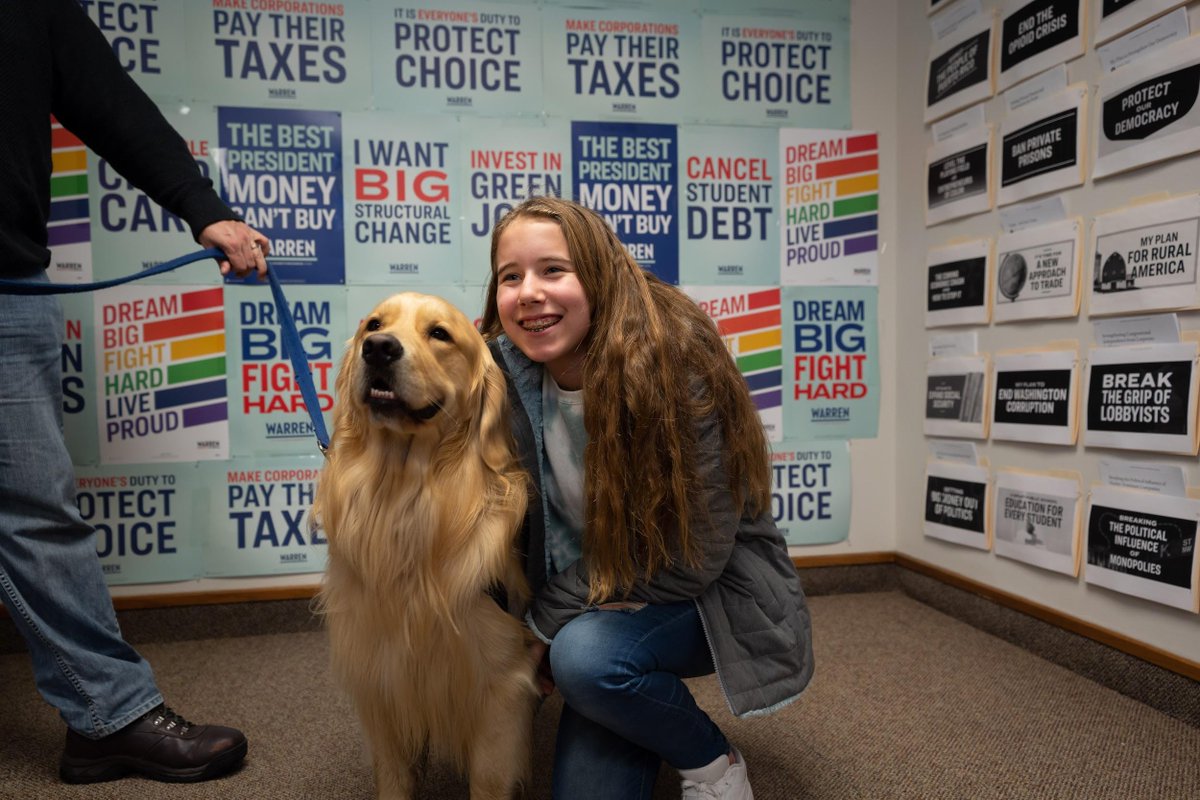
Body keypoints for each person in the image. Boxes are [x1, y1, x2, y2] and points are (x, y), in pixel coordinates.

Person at [0, 0, 269, 784]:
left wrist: (205, 208)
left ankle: (108, 716)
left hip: (7, 284)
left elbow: (109, 101)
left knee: (33, 512)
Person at [481, 197, 814, 800]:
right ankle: (608, 681)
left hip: (692, 594)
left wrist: (546, 624)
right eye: (511, 276)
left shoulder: (677, 365)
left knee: (586, 661)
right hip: (585, 602)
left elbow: (692, 560)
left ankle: (715, 764)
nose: (529, 292)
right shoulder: (493, 369)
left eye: (554, 270)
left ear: (600, 273)